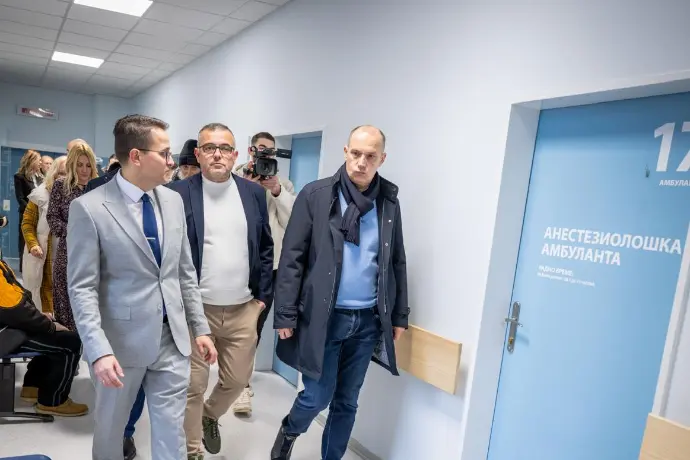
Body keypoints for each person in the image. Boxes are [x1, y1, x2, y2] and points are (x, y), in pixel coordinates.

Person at [67, 114, 217, 460]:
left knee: (171, 431)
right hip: (119, 344)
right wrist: (98, 350)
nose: (171, 162)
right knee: (111, 430)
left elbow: (184, 272)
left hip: (172, 338)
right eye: (164, 154)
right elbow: (82, 288)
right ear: (135, 156)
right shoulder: (89, 209)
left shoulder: (173, 202)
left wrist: (200, 328)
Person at [270, 125, 409, 460]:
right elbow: (292, 258)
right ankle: (290, 429)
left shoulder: (388, 202)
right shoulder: (316, 195)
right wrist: (285, 313)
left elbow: (396, 261)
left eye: (371, 156)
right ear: (346, 151)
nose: (362, 162)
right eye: (356, 153)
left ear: (382, 159)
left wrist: (399, 315)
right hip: (323, 317)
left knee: (347, 401)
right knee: (317, 396)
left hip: (367, 321)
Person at [168, 123, 273, 459]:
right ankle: (193, 451)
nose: (218, 154)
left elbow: (265, 247)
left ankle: (209, 416)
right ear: (198, 154)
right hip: (196, 309)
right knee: (193, 386)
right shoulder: (177, 194)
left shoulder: (253, 194)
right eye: (210, 148)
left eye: (225, 148)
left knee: (238, 381)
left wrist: (262, 299)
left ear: (235, 154)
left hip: (244, 308)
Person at [231, 131, 296, 415]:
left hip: (270, 268)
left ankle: (242, 385)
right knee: (234, 328)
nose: (265, 155)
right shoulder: (235, 177)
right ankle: (233, 379)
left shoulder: (283, 184)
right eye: (261, 149)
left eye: (270, 151)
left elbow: (293, 223)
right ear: (250, 150)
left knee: (253, 328)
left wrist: (277, 192)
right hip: (238, 264)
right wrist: (248, 186)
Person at [0, 256, 88, 416]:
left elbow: (16, 298)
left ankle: (32, 387)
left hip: (8, 326)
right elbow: (14, 310)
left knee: (49, 333)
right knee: (70, 342)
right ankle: (53, 401)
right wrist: (49, 325)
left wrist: (39, 317)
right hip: (6, 333)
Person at [47, 142, 99, 333]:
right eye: (79, 165)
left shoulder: (98, 188)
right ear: (71, 165)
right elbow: (52, 217)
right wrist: (72, 231)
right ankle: (69, 349)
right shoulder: (61, 186)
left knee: (89, 308)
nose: (84, 170)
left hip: (94, 256)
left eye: (88, 165)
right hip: (67, 254)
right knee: (66, 308)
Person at [21, 155, 67, 314]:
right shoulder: (39, 195)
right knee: (41, 301)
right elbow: (27, 223)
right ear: (53, 173)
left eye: (67, 174)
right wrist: (33, 244)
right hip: (43, 256)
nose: (63, 177)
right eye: (61, 173)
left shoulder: (76, 196)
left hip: (66, 258)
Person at [14, 149, 44, 271]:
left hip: (41, 215)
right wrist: (31, 211)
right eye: (39, 160)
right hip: (27, 215)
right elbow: (20, 198)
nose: (41, 163)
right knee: (24, 242)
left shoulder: (41, 178)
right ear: (32, 161)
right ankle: (23, 270)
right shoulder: (20, 177)